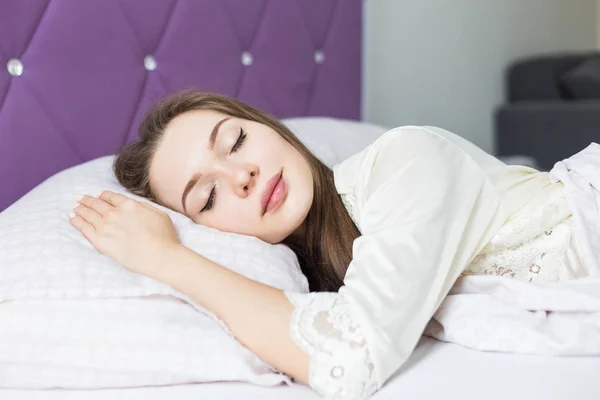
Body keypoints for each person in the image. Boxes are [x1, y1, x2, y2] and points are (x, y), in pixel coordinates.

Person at [69, 91, 590, 399]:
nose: (243, 173)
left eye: (236, 141)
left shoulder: (406, 160)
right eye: (207, 197)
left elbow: (353, 355)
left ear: (269, 128)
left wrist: (167, 258)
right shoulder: (304, 271)